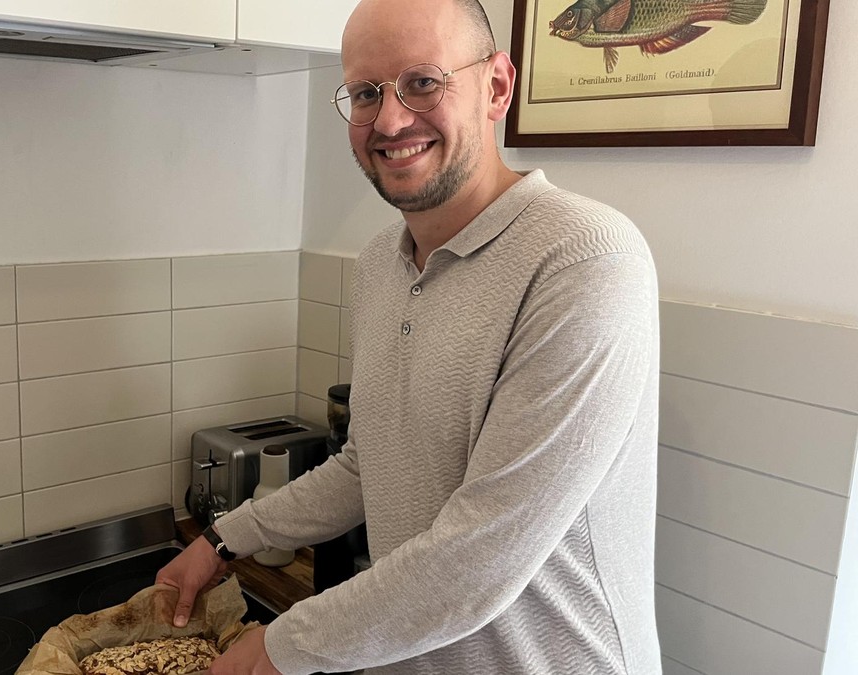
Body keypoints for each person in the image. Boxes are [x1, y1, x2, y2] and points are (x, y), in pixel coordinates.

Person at [156, 0, 662, 672]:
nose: (391, 121)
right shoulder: (380, 265)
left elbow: (480, 555)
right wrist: (222, 540)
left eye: (423, 82)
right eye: (366, 93)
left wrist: (279, 645)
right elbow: (370, 464)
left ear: (497, 86)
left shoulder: (585, 257)